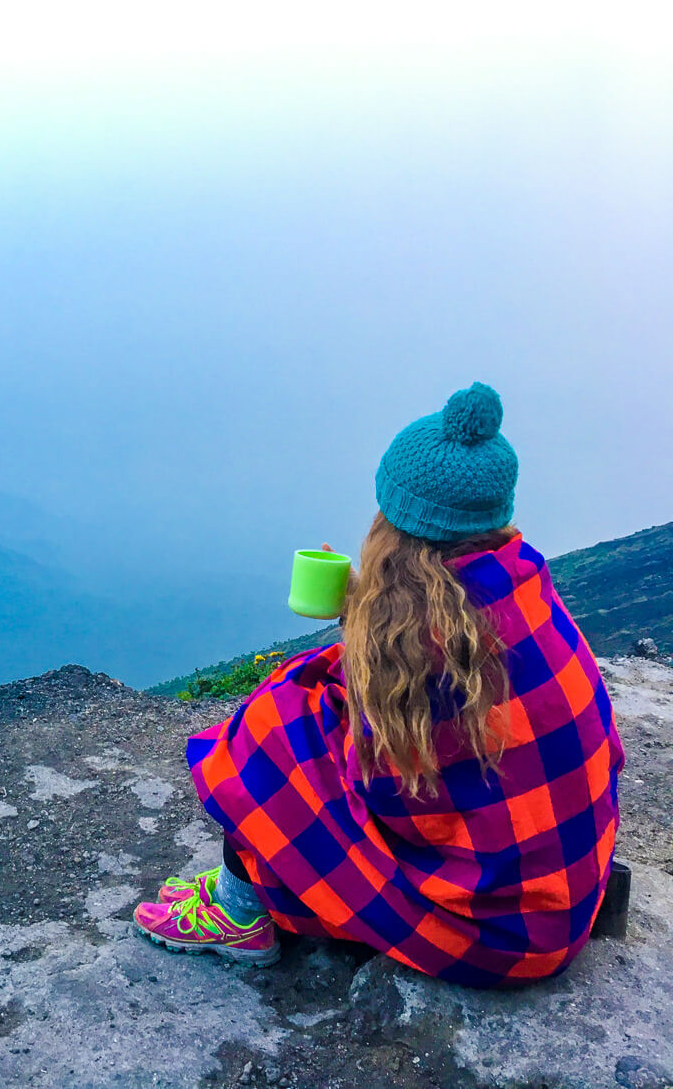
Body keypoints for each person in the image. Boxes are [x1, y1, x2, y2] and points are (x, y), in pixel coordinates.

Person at [133, 381, 625, 989]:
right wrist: (361, 617)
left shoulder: (423, 644)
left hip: (494, 941)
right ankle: (251, 888)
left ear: (398, 516)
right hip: (564, 898)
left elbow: (388, 794)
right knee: (322, 697)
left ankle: (239, 912)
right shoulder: (524, 583)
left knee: (277, 724)